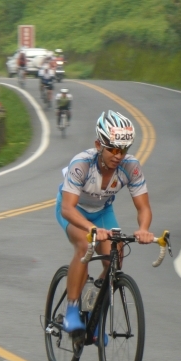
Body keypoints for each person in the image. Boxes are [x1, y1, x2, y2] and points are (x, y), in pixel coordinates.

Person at [56, 110, 154, 335]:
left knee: (116, 257)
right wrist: (90, 228)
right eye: (113, 148)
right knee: (84, 245)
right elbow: (67, 208)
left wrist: (143, 229)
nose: (119, 155)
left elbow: (144, 207)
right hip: (74, 210)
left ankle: (93, 304)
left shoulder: (131, 167)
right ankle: (71, 309)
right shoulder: (81, 164)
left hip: (102, 211)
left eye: (124, 149)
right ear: (99, 144)